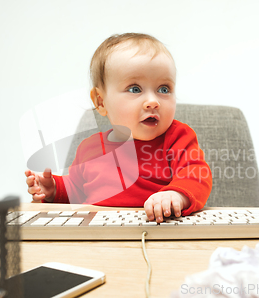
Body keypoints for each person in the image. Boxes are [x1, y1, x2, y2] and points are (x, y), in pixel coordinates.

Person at [25, 33, 212, 223]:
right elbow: (75, 190)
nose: (153, 101)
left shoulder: (178, 137)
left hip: (157, 230)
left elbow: (196, 176)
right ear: (101, 102)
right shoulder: (89, 148)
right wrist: (54, 189)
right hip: (98, 234)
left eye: (164, 89)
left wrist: (175, 195)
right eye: (135, 89)